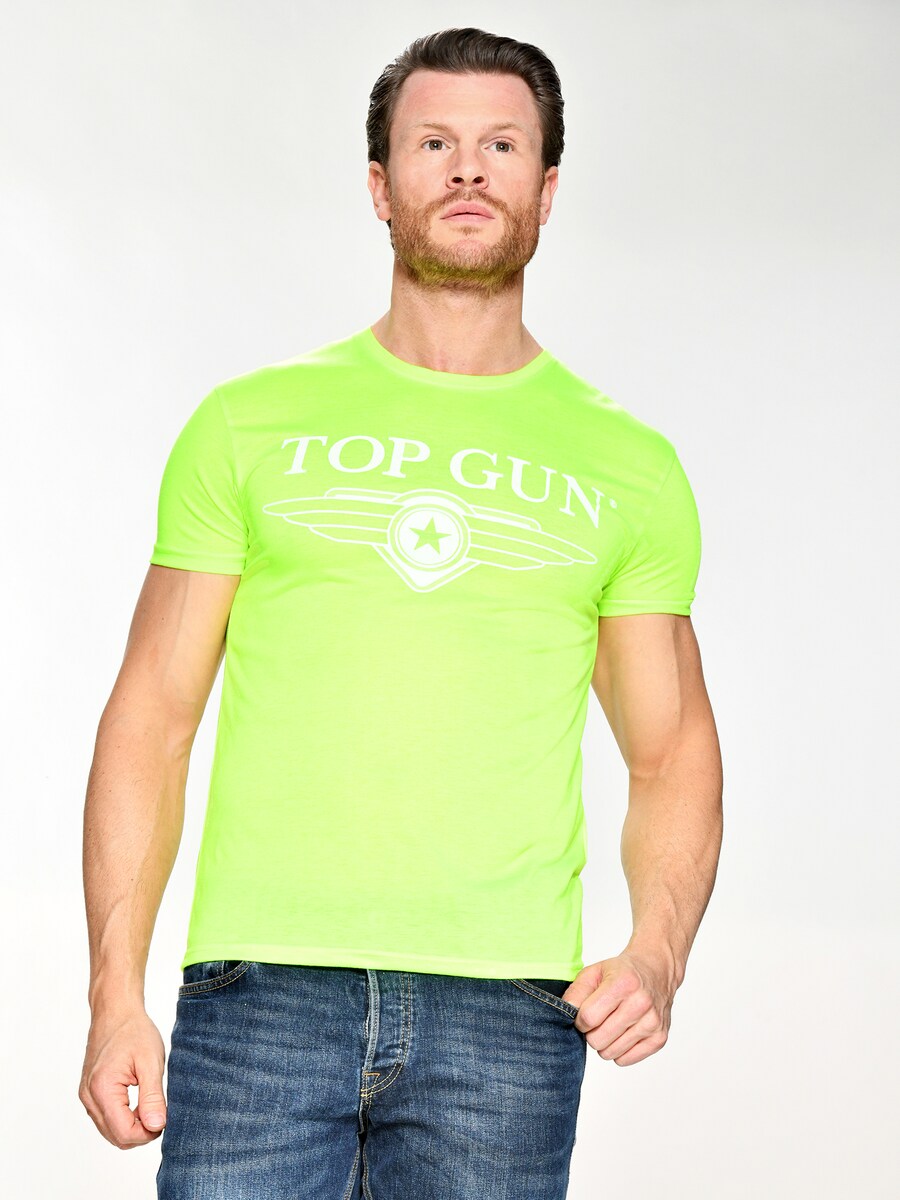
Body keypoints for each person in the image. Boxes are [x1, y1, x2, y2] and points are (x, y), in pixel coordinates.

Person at [79, 26, 723, 1200]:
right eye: (434, 144)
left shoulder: (630, 466)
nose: (468, 168)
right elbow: (153, 716)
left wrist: (659, 953)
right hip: (262, 994)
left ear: (547, 188)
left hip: (508, 1011)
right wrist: (114, 993)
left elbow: (670, 746)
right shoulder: (248, 426)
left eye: (501, 145)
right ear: (381, 185)